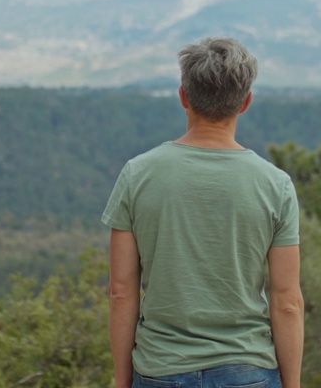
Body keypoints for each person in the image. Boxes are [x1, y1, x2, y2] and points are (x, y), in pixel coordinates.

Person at [104, 37, 304, 388]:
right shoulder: (276, 185)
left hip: (159, 369)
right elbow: (287, 301)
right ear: (245, 102)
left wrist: (123, 381)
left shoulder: (138, 174)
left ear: (184, 97)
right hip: (248, 371)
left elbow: (121, 290)